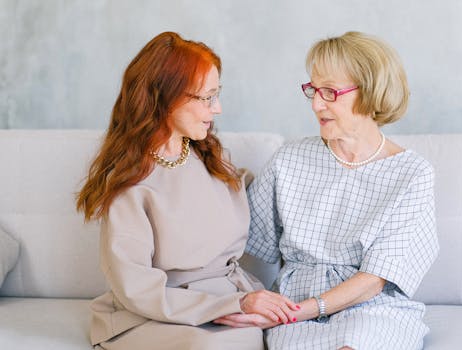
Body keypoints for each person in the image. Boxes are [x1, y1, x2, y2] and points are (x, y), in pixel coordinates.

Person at [214, 31, 439, 350]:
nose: (317, 104)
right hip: (295, 301)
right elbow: (240, 240)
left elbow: (374, 280)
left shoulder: (412, 174)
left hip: (371, 309)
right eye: (313, 90)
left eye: (331, 92)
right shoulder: (290, 160)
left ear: (372, 91)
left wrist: (292, 314)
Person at [76, 31, 298, 350]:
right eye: (207, 97)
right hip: (155, 314)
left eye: (217, 94)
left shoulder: (210, 157)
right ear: (166, 99)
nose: (217, 108)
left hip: (228, 297)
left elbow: (255, 200)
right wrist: (232, 307)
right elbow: (137, 289)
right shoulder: (129, 185)